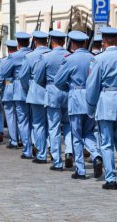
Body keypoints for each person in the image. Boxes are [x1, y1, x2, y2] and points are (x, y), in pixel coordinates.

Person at [86, 26, 117, 190]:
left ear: (104, 41)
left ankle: (111, 178)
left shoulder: (99, 59)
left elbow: (92, 86)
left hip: (106, 101)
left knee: (106, 143)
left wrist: (90, 107)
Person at [54, 30, 103, 179]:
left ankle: (80, 170)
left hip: (76, 98)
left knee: (76, 135)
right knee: (88, 131)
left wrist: (68, 88)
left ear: (73, 43)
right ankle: (96, 155)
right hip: (91, 98)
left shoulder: (70, 59)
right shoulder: (94, 58)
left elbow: (58, 81)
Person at [33, 30, 72, 171]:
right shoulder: (69, 55)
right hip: (68, 92)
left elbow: (37, 78)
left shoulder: (46, 57)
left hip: (52, 92)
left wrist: (49, 85)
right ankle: (69, 152)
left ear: (52, 41)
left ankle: (57, 161)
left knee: (54, 127)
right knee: (68, 125)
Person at [0, 32, 33, 159]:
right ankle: (36, 146)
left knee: (22, 120)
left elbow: (4, 72)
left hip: (19, 90)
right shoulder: (34, 54)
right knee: (35, 121)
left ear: (18, 44)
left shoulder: (14, 57)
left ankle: (27, 149)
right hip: (34, 90)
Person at [19, 30, 51, 163]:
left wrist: (28, 89)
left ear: (35, 41)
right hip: (51, 93)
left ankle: (41, 154)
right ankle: (51, 149)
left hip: (36, 92)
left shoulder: (30, 56)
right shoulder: (51, 53)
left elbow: (23, 76)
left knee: (38, 124)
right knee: (51, 125)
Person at [0, 40, 19, 149]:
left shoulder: (4, 61)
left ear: (8, 49)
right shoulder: (23, 58)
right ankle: (22, 139)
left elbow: (0, 76)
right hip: (20, 89)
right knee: (21, 117)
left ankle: (13, 140)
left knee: (10, 117)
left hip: (8, 89)